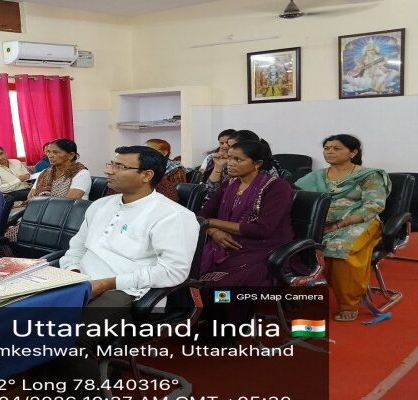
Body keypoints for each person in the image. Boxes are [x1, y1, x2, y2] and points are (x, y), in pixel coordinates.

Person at [57, 146, 199, 393]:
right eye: (111, 164)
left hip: (130, 291)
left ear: (146, 175)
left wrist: (108, 283)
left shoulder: (173, 216)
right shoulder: (100, 205)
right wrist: (74, 271)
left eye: (120, 167)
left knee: (71, 338)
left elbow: (174, 272)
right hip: (83, 281)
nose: (109, 171)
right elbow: (76, 248)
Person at [296, 134, 390, 322]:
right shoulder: (316, 177)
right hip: (321, 223)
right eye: (326, 148)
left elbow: (373, 206)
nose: (329, 152)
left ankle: (348, 303)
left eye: (336, 148)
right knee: (294, 243)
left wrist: (340, 224)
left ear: (353, 152)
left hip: (360, 222)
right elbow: (297, 197)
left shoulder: (369, 175)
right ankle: (294, 292)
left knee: (338, 247)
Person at [199, 141, 295, 287]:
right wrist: (214, 231)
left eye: (238, 159)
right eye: (230, 157)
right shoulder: (229, 184)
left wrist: (212, 223)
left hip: (261, 249)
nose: (230, 163)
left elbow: (262, 229)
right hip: (222, 244)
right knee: (186, 274)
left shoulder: (277, 187)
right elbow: (202, 215)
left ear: (257, 164)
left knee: (219, 288)